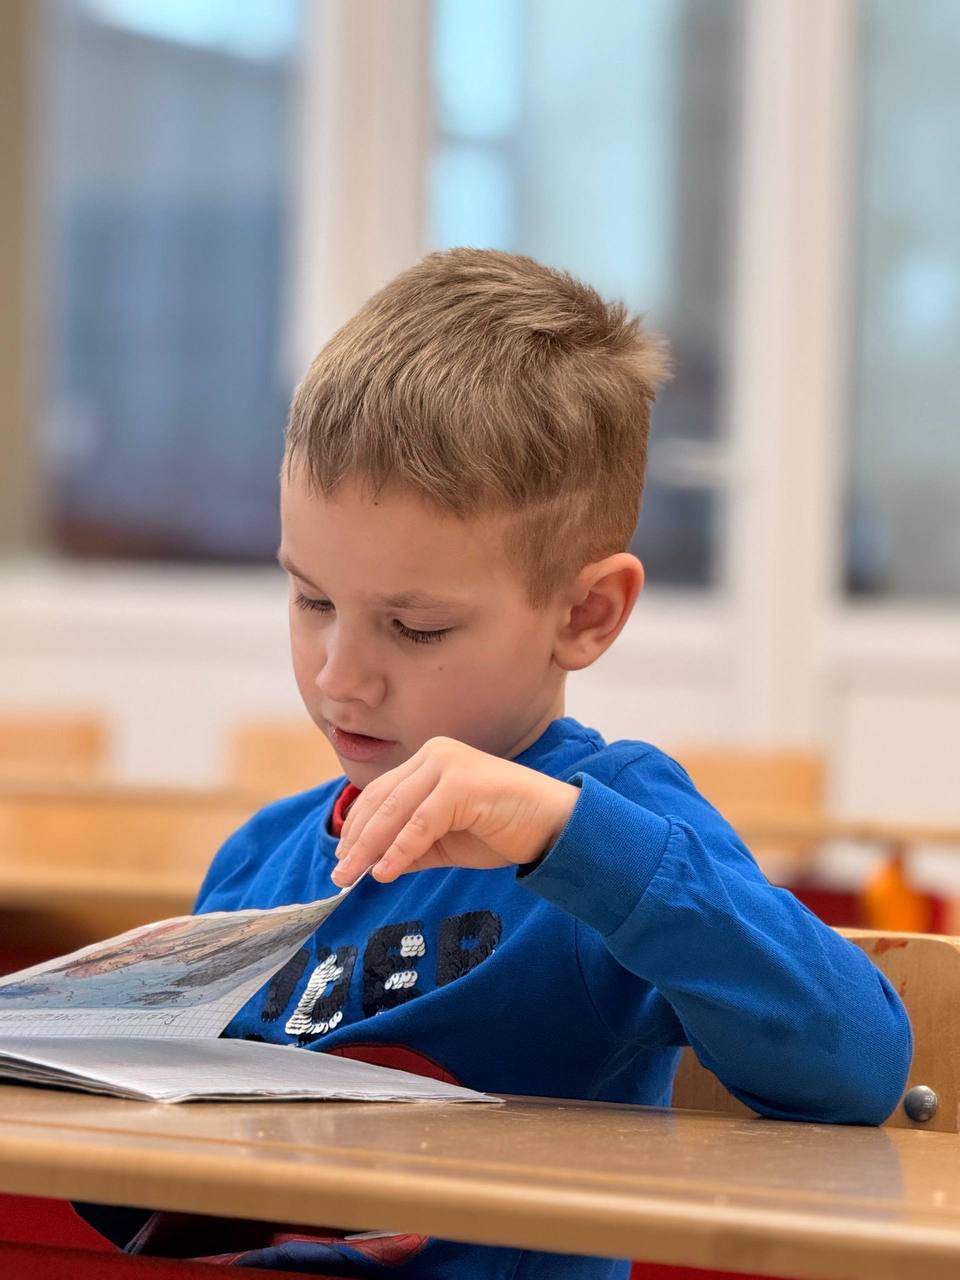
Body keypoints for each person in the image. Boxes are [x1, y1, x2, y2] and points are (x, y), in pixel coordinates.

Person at [76, 248, 912, 1277]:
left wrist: (568, 836)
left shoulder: (614, 826)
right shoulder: (260, 858)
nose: (341, 676)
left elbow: (858, 1068)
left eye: (415, 627)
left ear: (586, 613)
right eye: (311, 599)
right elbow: (152, 1199)